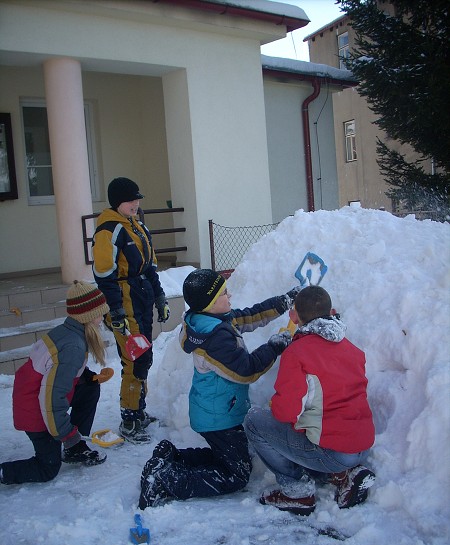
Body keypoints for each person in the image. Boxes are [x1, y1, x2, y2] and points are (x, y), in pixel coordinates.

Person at [138, 268, 300, 509]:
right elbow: (245, 370)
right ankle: (166, 480)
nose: (230, 295)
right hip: (219, 418)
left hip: (215, 410)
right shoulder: (215, 337)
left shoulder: (209, 320)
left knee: (223, 458)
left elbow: (249, 316)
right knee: (235, 475)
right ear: (210, 303)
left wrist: (282, 303)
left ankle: (172, 457)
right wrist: (274, 346)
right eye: (224, 293)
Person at [243, 285, 376, 516]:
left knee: (255, 420)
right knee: (314, 426)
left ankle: (297, 492)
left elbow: (285, 413)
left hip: (332, 452)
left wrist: (277, 406)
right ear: (331, 312)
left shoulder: (297, 352)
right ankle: (344, 474)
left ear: (294, 316)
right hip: (362, 446)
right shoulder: (351, 348)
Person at [0, 281, 110, 485]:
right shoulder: (74, 346)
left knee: (89, 388)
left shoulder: (69, 331)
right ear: (86, 316)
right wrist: (67, 434)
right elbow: (51, 398)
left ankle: (74, 450)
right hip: (35, 408)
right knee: (47, 468)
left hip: (38, 397)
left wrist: (86, 376)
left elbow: (57, 372)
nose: (102, 318)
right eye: (99, 313)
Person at [92, 177, 170, 444]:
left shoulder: (136, 226)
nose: (136, 203)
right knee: (134, 358)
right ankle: (129, 419)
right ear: (118, 202)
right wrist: (115, 311)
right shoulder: (109, 229)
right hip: (124, 302)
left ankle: (139, 410)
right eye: (131, 199)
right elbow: (104, 275)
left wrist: (159, 296)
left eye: (137, 199)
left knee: (144, 354)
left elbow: (150, 266)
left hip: (142, 296)